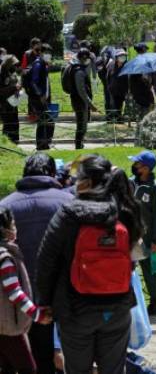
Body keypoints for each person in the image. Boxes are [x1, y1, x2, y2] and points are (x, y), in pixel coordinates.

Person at [36, 155, 143, 373]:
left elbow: (46, 261)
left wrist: (46, 302)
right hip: (117, 306)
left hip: (75, 308)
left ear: (86, 181)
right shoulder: (125, 212)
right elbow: (134, 257)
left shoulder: (68, 213)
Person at [0, 153, 72, 374]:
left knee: (28, 358)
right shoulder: (68, 203)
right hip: (64, 294)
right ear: (52, 173)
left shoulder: (5, 205)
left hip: (19, 304)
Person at [0, 207, 53, 374]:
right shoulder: (5, 259)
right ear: (5, 230)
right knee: (27, 368)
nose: (15, 228)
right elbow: (15, 292)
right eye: (13, 224)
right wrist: (37, 314)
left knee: (7, 367)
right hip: (9, 326)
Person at [129, 150, 156, 317]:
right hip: (130, 236)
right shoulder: (130, 183)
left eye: (137, 164)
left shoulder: (155, 187)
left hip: (148, 238)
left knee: (151, 271)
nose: (134, 166)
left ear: (146, 168)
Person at [26, 44, 54, 150]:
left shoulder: (43, 63)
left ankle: (44, 143)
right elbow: (34, 82)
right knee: (43, 121)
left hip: (43, 97)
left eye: (50, 53)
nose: (49, 55)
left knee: (45, 121)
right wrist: (40, 94)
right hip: (38, 98)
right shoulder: (38, 64)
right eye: (46, 53)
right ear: (41, 53)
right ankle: (41, 145)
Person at [68, 48, 98, 149]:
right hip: (80, 102)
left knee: (82, 125)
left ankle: (80, 144)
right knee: (81, 126)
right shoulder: (79, 71)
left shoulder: (77, 67)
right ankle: (78, 146)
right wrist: (91, 104)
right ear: (85, 58)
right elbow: (82, 91)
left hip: (78, 101)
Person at [0, 55, 21, 143]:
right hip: (4, 103)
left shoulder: (10, 72)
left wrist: (18, 88)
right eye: (13, 64)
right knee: (8, 124)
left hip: (13, 102)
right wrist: (14, 88)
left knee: (15, 122)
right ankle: (7, 143)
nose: (15, 66)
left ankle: (15, 141)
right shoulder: (1, 73)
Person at [106, 49, 129, 122]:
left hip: (124, 90)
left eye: (124, 56)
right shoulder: (111, 65)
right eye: (121, 56)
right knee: (115, 106)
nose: (123, 57)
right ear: (116, 57)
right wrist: (109, 87)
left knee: (124, 106)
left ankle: (120, 120)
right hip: (113, 90)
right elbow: (108, 77)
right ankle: (117, 120)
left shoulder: (127, 65)